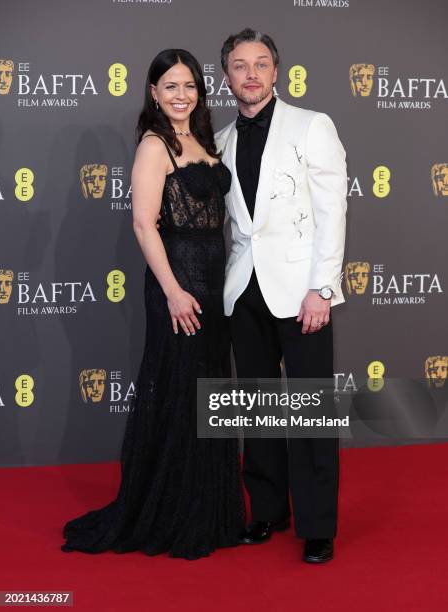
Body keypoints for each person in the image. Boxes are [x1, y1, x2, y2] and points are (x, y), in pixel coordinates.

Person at [61, 48, 245, 560]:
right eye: (170, 86)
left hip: (211, 280)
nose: (181, 95)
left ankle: (209, 507)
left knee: (207, 392)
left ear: (199, 91)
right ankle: (171, 510)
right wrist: (172, 290)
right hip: (177, 282)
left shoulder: (204, 140)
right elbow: (144, 223)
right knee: (179, 390)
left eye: (189, 85)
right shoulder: (153, 145)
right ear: (153, 93)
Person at [215, 28, 347, 563]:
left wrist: (322, 287)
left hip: (302, 290)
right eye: (240, 65)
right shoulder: (220, 139)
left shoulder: (312, 125)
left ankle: (318, 526)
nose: (251, 73)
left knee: (310, 410)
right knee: (261, 409)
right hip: (243, 287)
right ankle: (267, 510)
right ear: (226, 76)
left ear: (277, 72)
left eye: (261, 63)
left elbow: (333, 212)